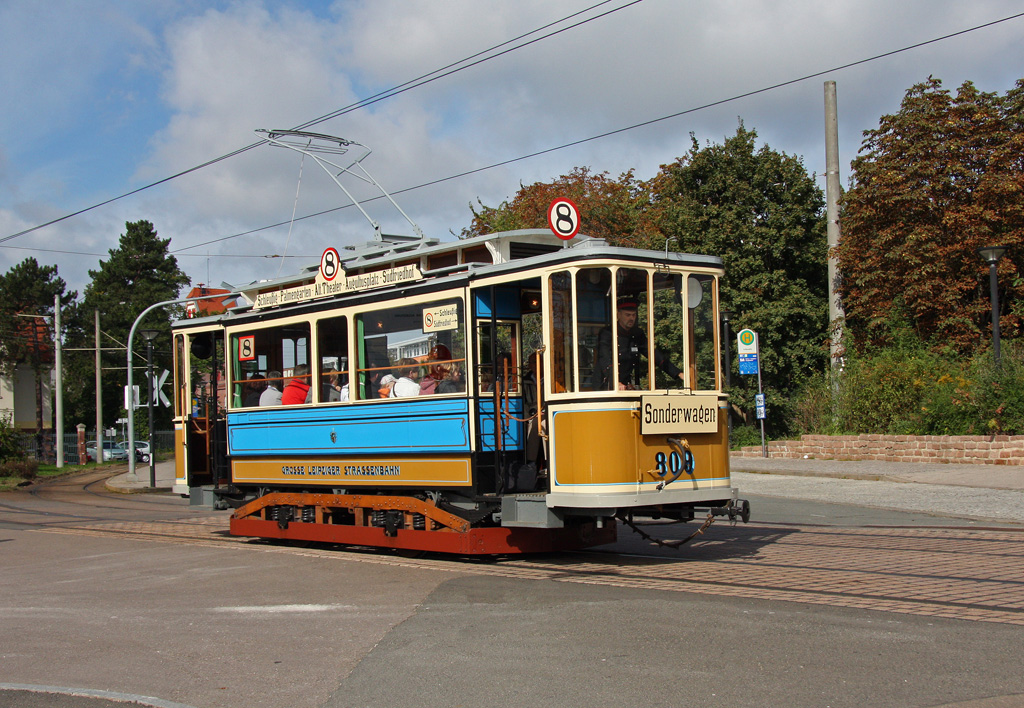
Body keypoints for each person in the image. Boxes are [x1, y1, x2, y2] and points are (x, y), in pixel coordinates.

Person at [595, 295, 685, 390]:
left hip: (625, 383)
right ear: (618, 315)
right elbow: (604, 358)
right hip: (605, 384)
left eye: (633, 315)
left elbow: (653, 354)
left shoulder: (637, 333)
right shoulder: (608, 333)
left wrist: (678, 373)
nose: (631, 318)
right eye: (627, 315)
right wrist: (615, 382)